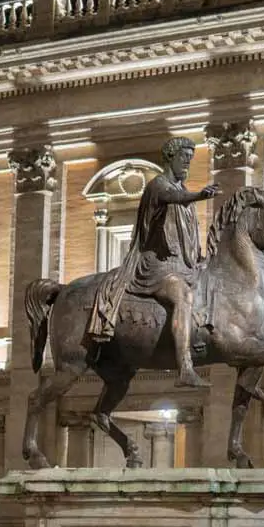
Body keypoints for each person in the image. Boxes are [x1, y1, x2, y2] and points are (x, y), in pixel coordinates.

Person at [87, 136, 221, 388]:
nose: (187, 165)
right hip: (157, 266)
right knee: (182, 296)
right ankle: (185, 367)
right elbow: (172, 197)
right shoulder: (158, 186)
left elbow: (188, 234)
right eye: (184, 158)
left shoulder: (181, 192)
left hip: (181, 264)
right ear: (171, 157)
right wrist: (200, 195)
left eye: (190, 160)